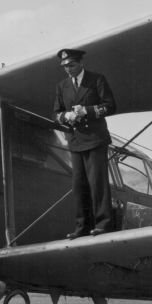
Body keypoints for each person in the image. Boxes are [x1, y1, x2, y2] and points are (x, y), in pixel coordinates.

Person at [52, 48, 118, 238]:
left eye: (71, 65)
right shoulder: (62, 86)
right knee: (79, 185)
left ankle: (104, 224)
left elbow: (110, 106)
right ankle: (82, 227)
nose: (68, 69)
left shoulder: (96, 80)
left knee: (98, 184)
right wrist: (67, 115)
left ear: (80, 63)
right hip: (75, 141)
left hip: (95, 139)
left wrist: (87, 111)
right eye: (64, 66)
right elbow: (55, 113)